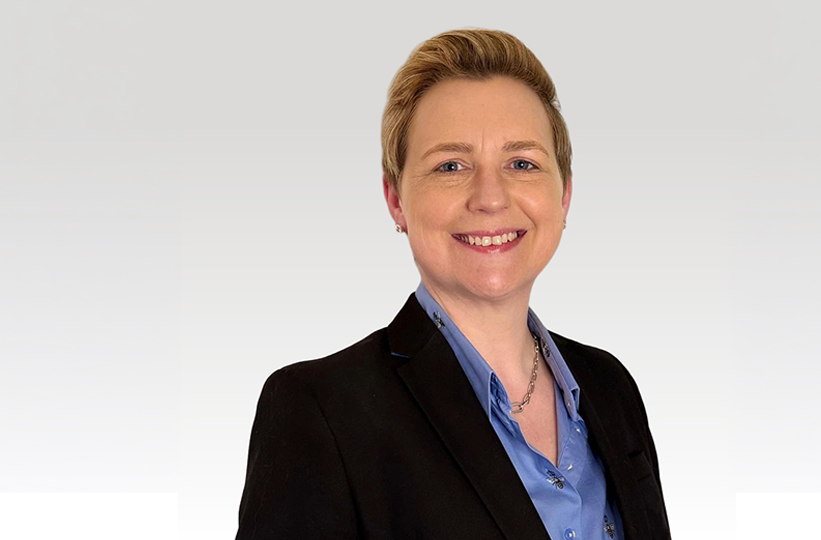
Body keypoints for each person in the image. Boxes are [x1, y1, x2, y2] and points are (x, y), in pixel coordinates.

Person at [235, 28, 670, 540]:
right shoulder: (319, 412)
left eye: (522, 163)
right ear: (396, 199)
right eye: (451, 166)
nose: (490, 197)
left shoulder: (610, 387)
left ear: (564, 194)